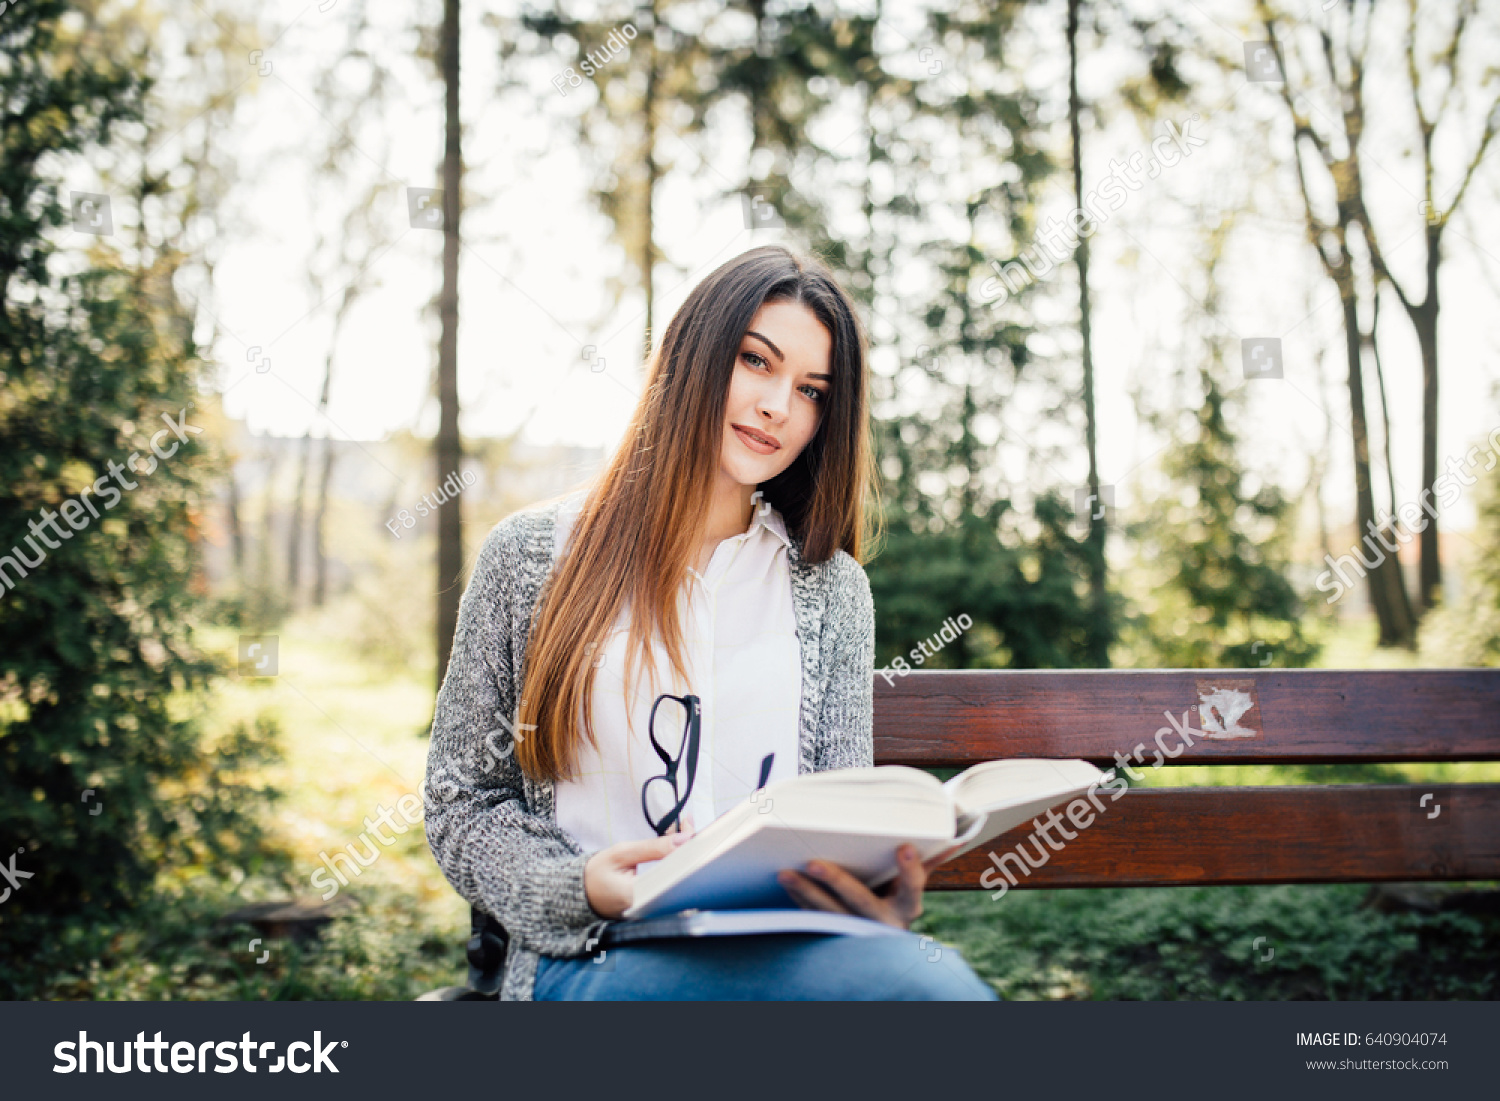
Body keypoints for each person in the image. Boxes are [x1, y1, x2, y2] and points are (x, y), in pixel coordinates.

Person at [423, 245, 996, 1001]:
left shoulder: (832, 590)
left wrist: (871, 890)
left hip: (783, 942)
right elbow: (464, 800)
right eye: (757, 361)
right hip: (595, 951)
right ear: (692, 356)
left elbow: (838, 806)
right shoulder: (530, 557)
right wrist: (579, 887)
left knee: (935, 991)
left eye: (813, 391)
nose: (778, 407)